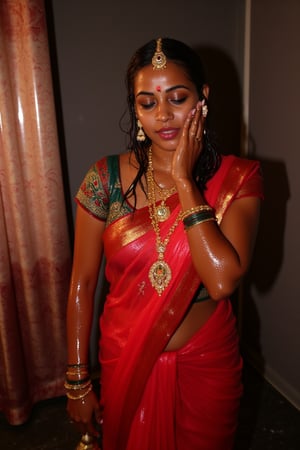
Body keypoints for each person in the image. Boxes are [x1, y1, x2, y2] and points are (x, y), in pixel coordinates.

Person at [65, 37, 263, 450]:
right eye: (148, 103)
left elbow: (223, 280)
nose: (164, 116)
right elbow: (83, 282)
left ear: (202, 98)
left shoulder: (238, 179)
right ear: (135, 110)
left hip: (207, 364)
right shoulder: (105, 180)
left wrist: (187, 183)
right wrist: (78, 381)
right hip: (126, 355)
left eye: (177, 98)